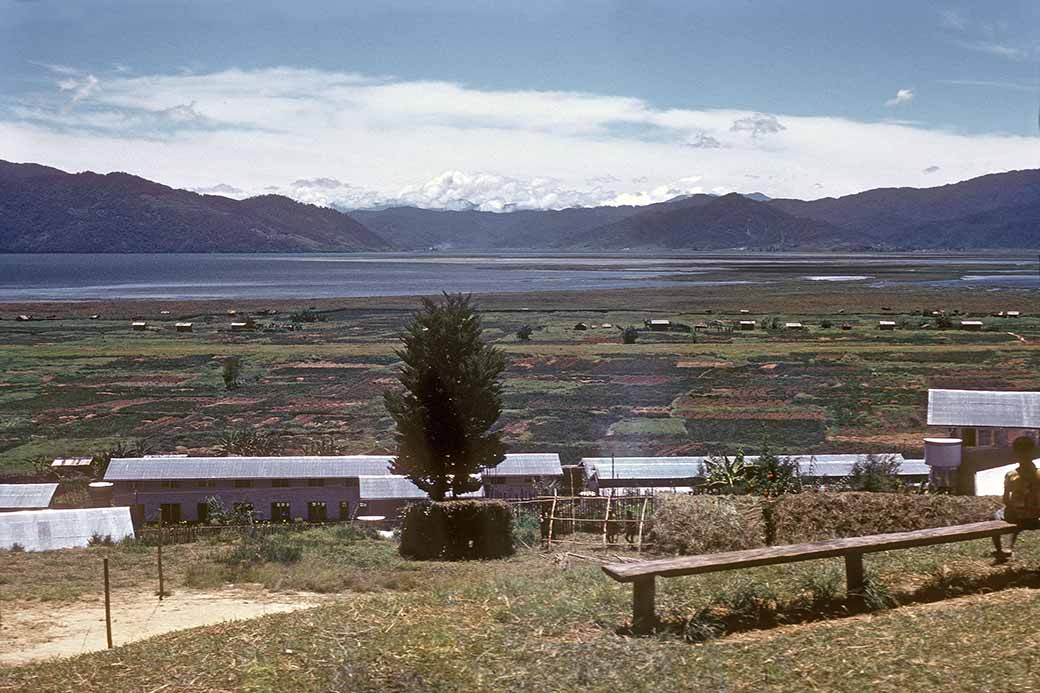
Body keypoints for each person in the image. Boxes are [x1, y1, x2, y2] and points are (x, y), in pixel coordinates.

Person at [992, 436, 1040, 563]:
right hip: (1035, 516)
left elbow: (1006, 499)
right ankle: (1009, 545)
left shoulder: (1011, 475)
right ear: (1034, 452)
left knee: (996, 515)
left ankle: (1000, 550)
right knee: (1019, 511)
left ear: (1015, 454)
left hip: (1017, 516)